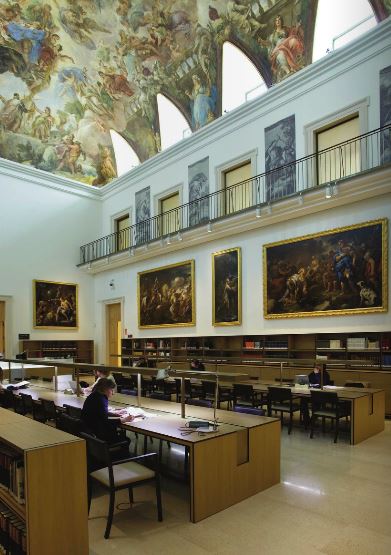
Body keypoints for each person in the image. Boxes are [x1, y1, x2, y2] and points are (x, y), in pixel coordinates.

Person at [80, 378, 133, 443]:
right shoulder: (101, 400)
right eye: (111, 390)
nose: (113, 393)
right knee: (126, 440)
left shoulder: (94, 395)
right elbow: (105, 421)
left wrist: (114, 414)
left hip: (90, 432)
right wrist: (123, 420)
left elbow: (99, 413)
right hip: (99, 436)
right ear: (105, 389)